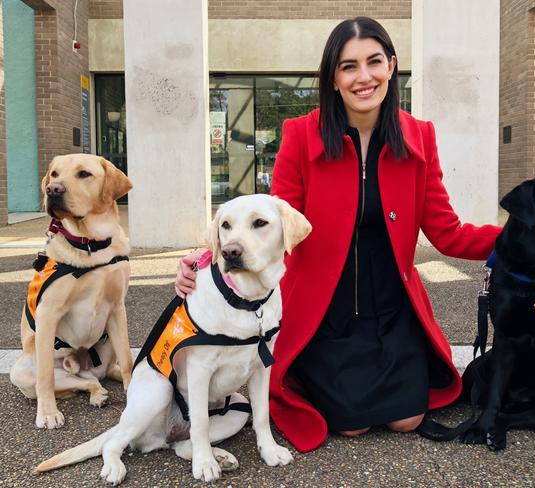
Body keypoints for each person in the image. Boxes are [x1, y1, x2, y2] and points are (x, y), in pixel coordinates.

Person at [177, 17, 505, 452]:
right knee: (350, 425)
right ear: (333, 78)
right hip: (325, 314)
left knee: (407, 420)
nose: (363, 77)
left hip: (394, 311)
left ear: (391, 65)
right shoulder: (300, 135)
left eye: (374, 62)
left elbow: (448, 232)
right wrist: (205, 262)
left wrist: (530, 243)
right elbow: (269, 221)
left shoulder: (419, 137)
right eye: (349, 66)